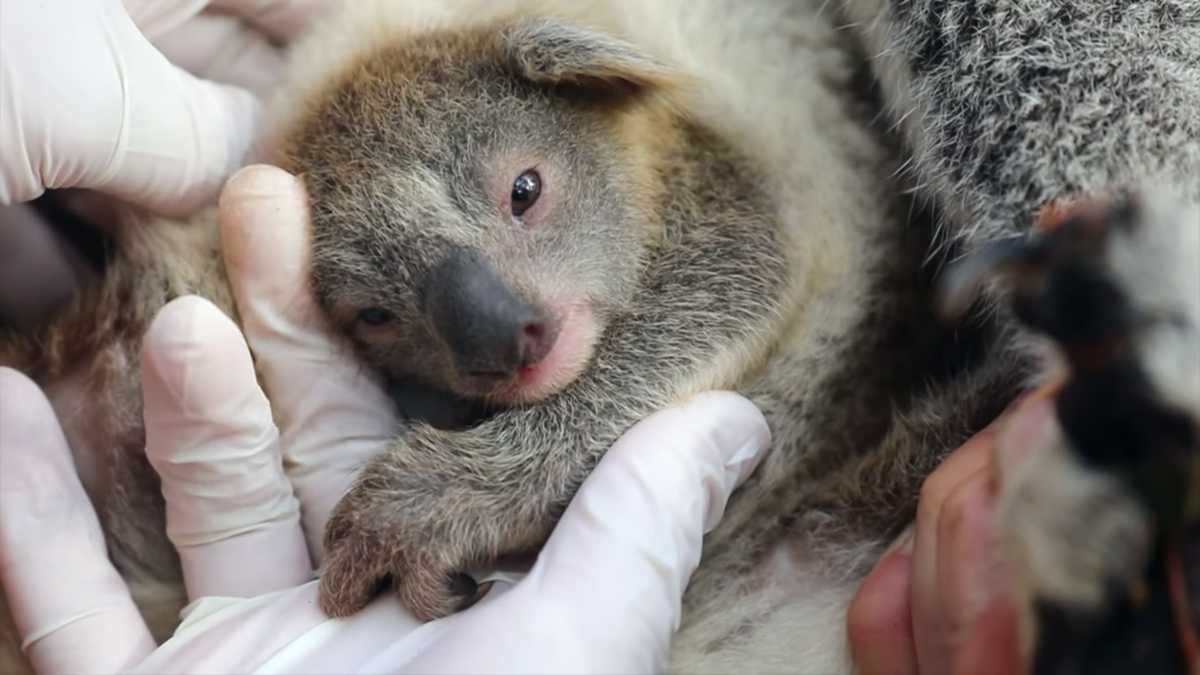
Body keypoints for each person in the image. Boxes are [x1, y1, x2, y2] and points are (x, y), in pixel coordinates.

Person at [0, 2, 1034, 671]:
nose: (492, 335)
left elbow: (748, 252)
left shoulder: (662, 147)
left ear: (585, 77)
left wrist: (504, 467)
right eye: (377, 316)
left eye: (524, 197)